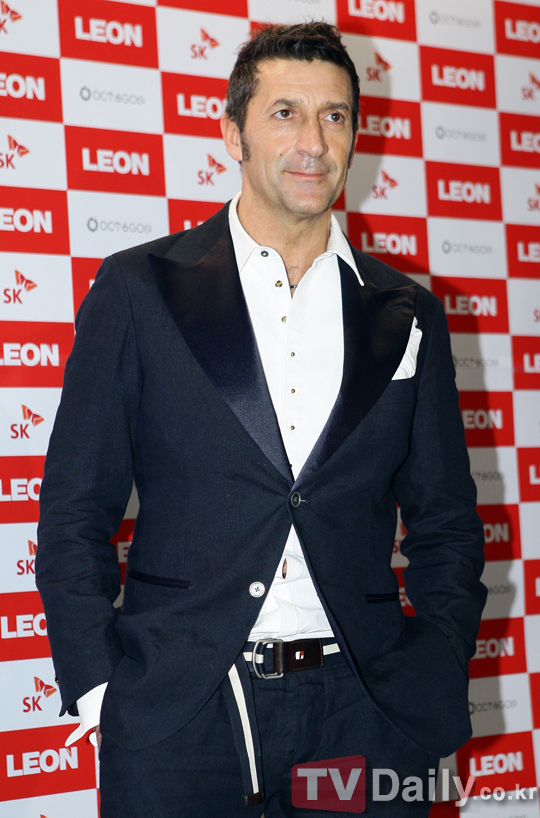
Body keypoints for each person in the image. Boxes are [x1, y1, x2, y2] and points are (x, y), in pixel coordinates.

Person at [36, 22, 486, 818]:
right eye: (285, 113)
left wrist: (437, 664)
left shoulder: (408, 311)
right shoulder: (139, 290)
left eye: (335, 116)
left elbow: (446, 520)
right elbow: (75, 509)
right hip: (183, 714)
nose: (313, 142)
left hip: (367, 712)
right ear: (231, 133)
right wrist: (104, 689)